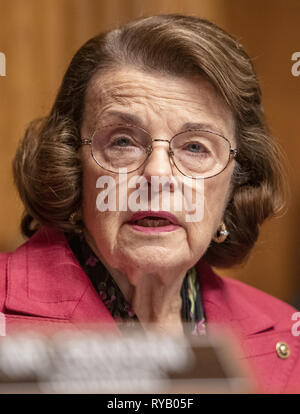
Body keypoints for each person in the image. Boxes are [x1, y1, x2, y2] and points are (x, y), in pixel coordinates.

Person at [0, 14, 299, 393]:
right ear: (72, 168)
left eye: (195, 147)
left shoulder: (287, 331)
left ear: (236, 183)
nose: (157, 175)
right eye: (123, 141)